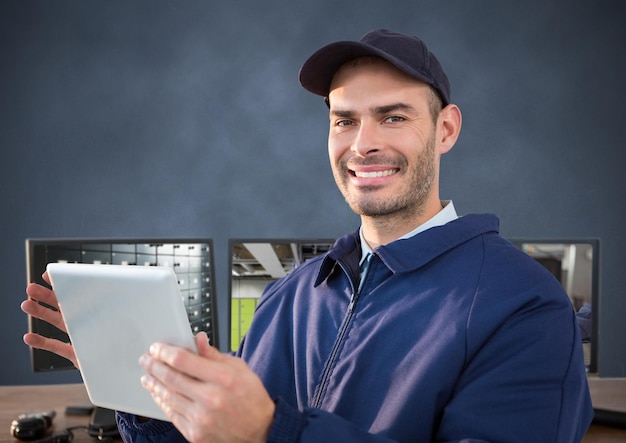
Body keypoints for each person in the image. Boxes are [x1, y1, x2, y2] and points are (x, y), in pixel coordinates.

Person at [22, 29, 593, 442]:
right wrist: (144, 392)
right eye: (344, 120)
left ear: (445, 130)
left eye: (393, 117)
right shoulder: (286, 295)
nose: (362, 143)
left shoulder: (526, 308)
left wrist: (275, 431)